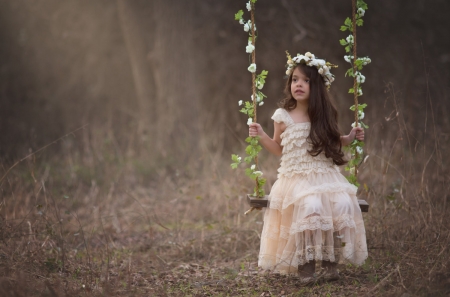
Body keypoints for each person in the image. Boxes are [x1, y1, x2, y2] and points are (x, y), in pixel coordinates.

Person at [249, 52, 368, 284]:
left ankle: (331, 262)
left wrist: (351, 137)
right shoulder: (282, 116)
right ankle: (307, 266)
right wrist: (262, 135)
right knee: (311, 206)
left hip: (324, 175)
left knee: (342, 203)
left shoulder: (323, 114)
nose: (298, 84)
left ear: (318, 87)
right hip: (295, 178)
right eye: (294, 80)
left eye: (305, 80)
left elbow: (334, 141)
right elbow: (278, 148)